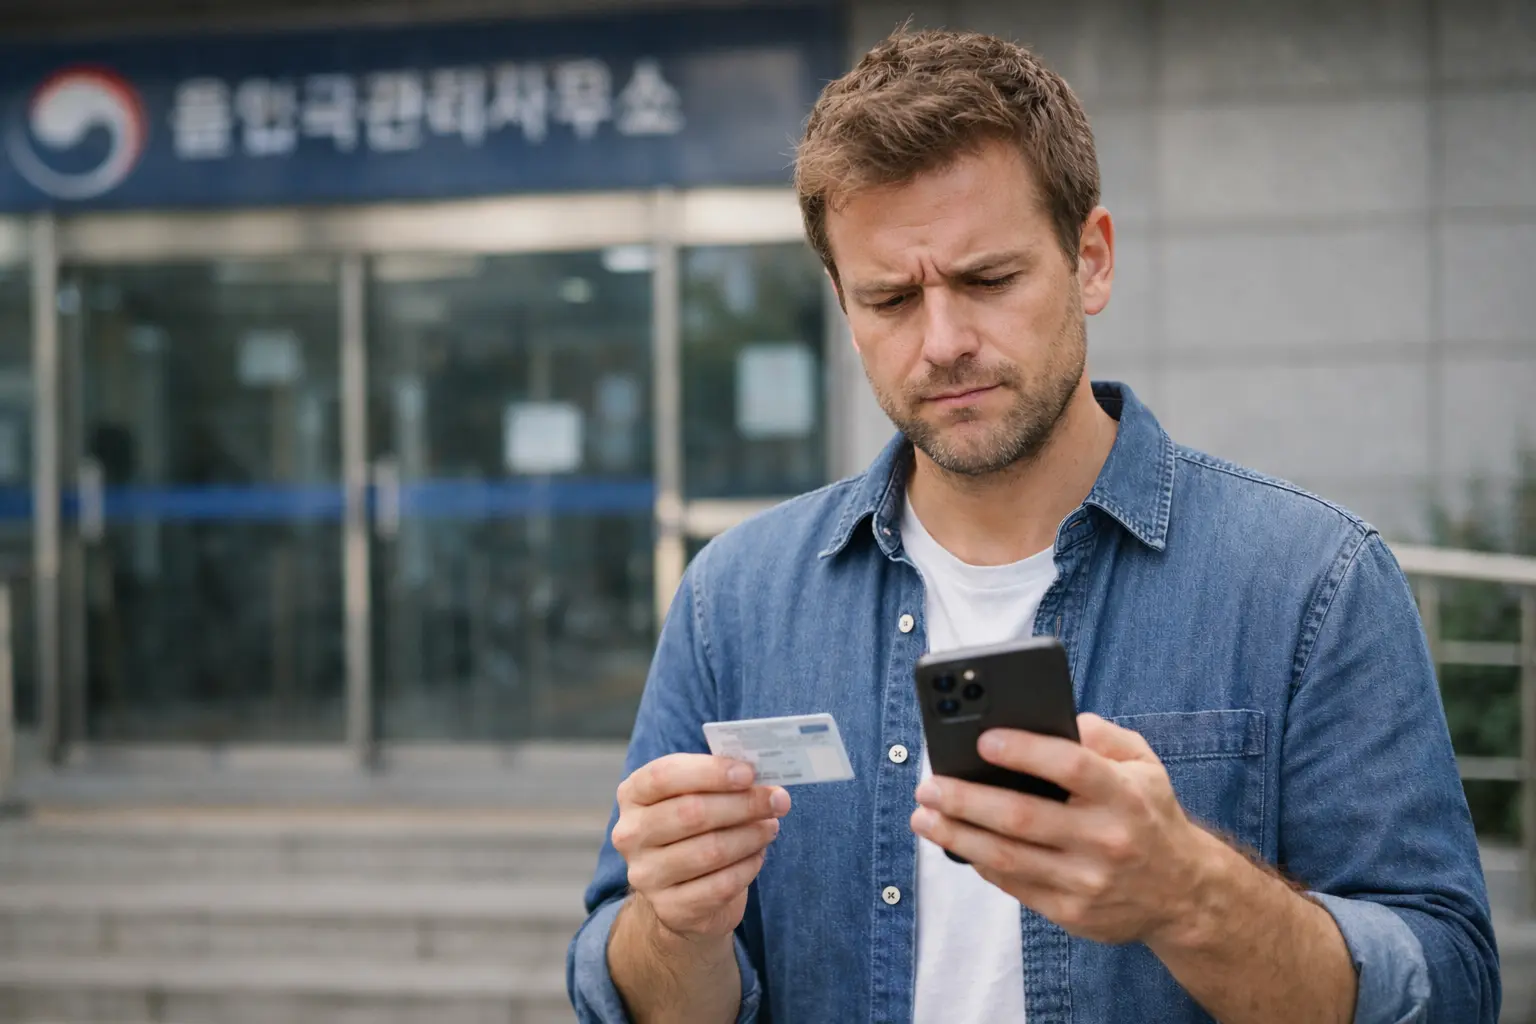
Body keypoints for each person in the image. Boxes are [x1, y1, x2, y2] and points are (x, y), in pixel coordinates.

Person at [567, 28, 1500, 1024]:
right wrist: (677, 927)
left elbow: (1448, 988)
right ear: (842, 304)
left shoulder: (1312, 583)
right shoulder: (737, 599)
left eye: (988, 280)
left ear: (1090, 261)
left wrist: (1190, 895)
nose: (943, 341)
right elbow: (629, 985)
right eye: (890, 297)